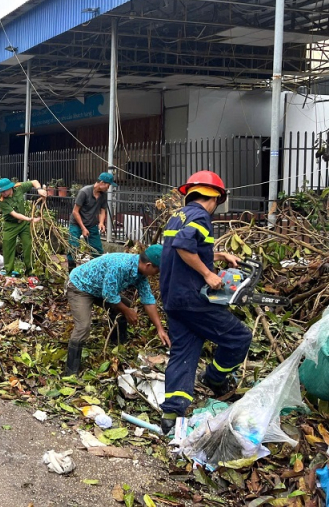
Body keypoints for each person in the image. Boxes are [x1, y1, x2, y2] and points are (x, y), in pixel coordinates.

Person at [158, 170, 251, 434]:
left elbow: (187, 247)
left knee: (183, 351)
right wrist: (209, 274)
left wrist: (218, 256)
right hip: (193, 299)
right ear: (216, 198)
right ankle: (214, 377)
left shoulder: (178, 215)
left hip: (173, 299)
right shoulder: (200, 215)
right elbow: (184, 247)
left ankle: (171, 415)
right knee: (239, 337)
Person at [65, 245, 171, 375]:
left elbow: (148, 299)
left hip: (99, 288)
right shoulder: (120, 266)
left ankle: (116, 344)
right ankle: (70, 372)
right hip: (80, 286)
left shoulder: (140, 272)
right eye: (157, 271)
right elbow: (109, 295)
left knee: (125, 304)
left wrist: (160, 329)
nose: (156, 275)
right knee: (83, 327)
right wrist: (127, 311)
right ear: (148, 265)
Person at [0, 178, 47, 275]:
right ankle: (9, 272)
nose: (3, 194)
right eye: (1, 192)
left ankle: (30, 271)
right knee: (8, 247)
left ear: (10, 187)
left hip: (23, 225)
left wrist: (39, 189)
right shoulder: (2, 202)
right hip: (11, 226)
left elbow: (34, 182)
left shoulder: (18, 188)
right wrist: (30, 219)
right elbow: (15, 214)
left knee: (28, 245)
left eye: (4, 191)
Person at [67, 172, 115, 269]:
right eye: (108, 185)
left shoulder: (103, 195)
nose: (108, 188)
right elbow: (75, 212)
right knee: (73, 248)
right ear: (102, 183)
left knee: (97, 250)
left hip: (91, 223)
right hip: (76, 223)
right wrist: (83, 228)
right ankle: (71, 273)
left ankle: (93, 271)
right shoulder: (84, 192)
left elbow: (102, 210)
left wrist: (101, 223)